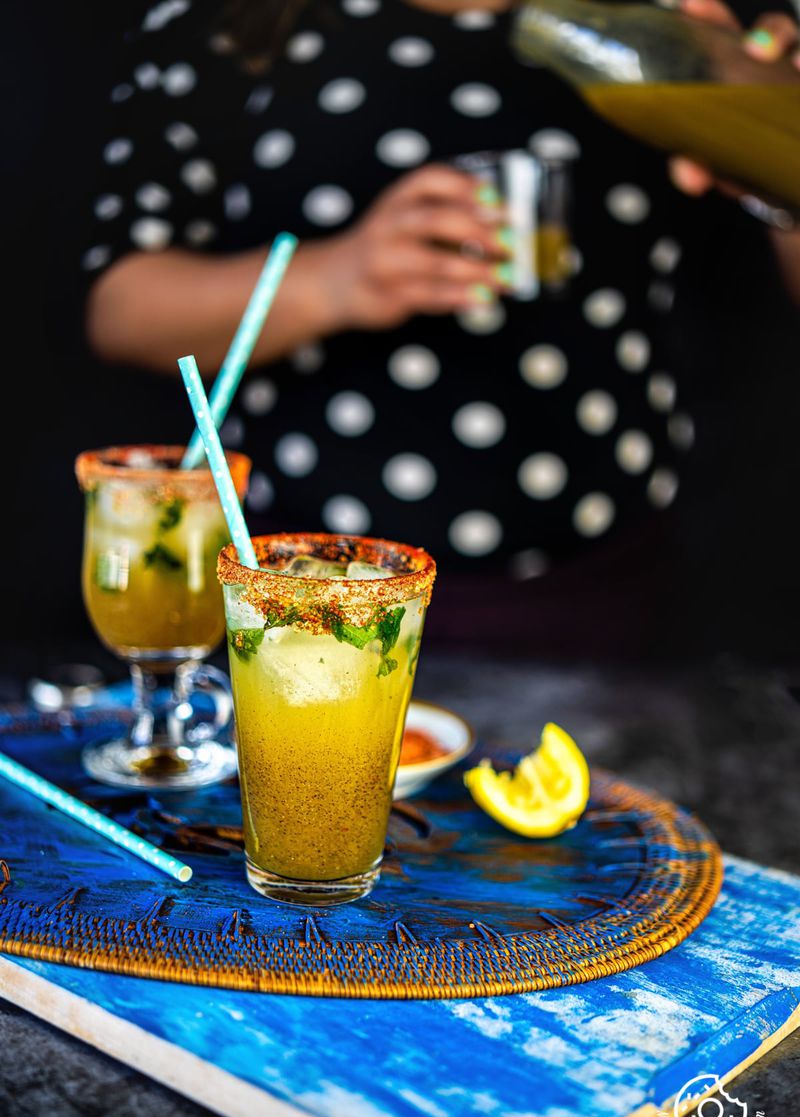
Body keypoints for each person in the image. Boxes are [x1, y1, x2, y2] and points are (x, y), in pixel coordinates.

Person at [79, 0, 800, 654]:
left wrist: (781, 148)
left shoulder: (663, 22)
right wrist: (336, 280)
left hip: (602, 590)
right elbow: (120, 312)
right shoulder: (217, 26)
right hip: (308, 587)